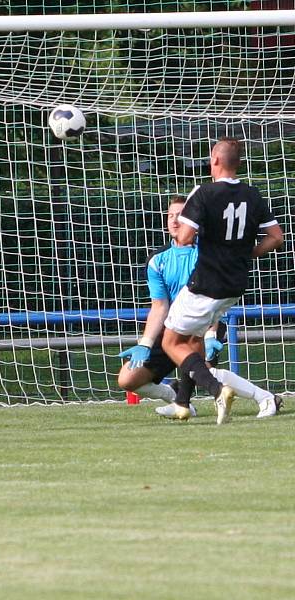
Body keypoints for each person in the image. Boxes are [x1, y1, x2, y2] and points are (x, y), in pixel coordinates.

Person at [118, 195, 282, 419]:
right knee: (127, 379)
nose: (175, 221)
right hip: (172, 328)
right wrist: (145, 343)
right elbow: (159, 306)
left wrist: (211, 333)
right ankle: (174, 396)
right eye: (170, 216)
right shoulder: (157, 260)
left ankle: (266, 398)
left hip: (205, 323)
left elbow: (211, 299)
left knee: (203, 372)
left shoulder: (206, 255)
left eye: (181, 216)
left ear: (192, 221)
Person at [161, 138, 284, 424]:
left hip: (207, 282)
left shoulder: (203, 193)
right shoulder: (252, 195)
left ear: (214, 160)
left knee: (171, 341)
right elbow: (276, 237)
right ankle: (182, 402)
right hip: (235, 284)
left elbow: (184, 238)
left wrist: (188, 229)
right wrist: (247, 253)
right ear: (238, 163)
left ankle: (217, 390)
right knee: (192, 340)